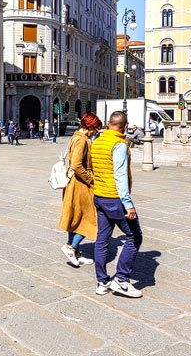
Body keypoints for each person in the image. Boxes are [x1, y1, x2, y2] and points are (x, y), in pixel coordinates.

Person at [91, 110, 144, 298]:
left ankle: (102, 281)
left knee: (102, 239)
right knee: (134, 236)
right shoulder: (119, 144)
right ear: (124, 126)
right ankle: (121, 279)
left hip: (99, 196)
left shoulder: (97, 142)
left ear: (108, 124)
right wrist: (128, 204)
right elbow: (120, 175)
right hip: (115, 198)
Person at [59, 113, 102, 268]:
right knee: (90, 218)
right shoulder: (83, 140)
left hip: (73, 183)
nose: (97, 131)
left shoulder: (75, 136)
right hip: (80, 185)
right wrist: (90, 178)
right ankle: (70, 247)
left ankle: (75, 251)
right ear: (89, 126)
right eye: (96, 128)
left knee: (75, 217)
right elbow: (77, 164)